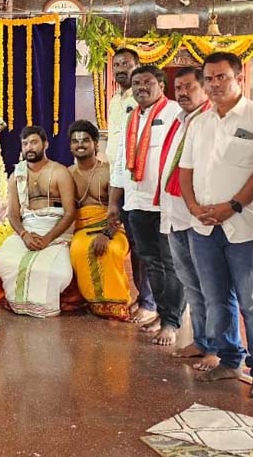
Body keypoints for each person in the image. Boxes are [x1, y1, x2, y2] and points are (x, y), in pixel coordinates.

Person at [179, 51, 253, 399]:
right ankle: (230, 359)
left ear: (240, 77)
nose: (215, 84)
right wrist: (193, 207)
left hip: (244, 224)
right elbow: (185, 171)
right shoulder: (200, 122)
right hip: (203, 227)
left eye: (222, 77)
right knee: (216, 299)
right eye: (209, 78)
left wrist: (232, 206)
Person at [156, 67, 230, 370]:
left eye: (189, 86)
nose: (183, 93)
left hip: (199, 216)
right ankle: (201, 340)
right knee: (191, 284)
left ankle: (218, 348)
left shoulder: (211, 120)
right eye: (178, 88)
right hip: (175, 213)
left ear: (204, 88)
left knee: (212, 287)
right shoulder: (180, 119)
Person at [110, 65, 185, 346]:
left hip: (167, 203)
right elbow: (120, 162)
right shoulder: (131, 117)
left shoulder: (175, 113)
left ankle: (172, 321)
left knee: (170, 263)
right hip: (136, 202)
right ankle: (160, 313)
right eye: (137, 83)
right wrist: (114, 202)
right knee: (151, 262)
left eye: (147, 82)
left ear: (161, 86)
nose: (141, 87)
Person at [0, 126, 76, 318]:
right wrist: (24, 235)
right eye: (25, 143)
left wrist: (47, 239)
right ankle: (19, 303)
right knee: (2, 259)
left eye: (34, 142)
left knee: (58, 272)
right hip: (28, 229)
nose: (29, 147)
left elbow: (70, 213)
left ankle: (42, 307)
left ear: (45, 144)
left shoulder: (59, 172)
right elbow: (13, 214)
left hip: (55, 230)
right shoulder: (17, 176)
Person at [105, 48, 155, 324]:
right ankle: (143, 296)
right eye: (116, 65)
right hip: (119, 182)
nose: (120, 69)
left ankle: (151, 301)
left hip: (140, 184)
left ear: (137, 66)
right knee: (136, 244)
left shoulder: (142, 102)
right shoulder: (115, 100)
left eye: (126, 64)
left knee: (147, 246)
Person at [65, 120, 131, 320]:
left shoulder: (108, 171)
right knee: (78, 248)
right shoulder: (67, 174)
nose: (80, 145)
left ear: (95, 143)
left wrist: (107, 233)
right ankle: (94, 303)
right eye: (75, 141)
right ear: (70, 146)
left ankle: (116, 304)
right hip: (82, 229)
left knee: (111, 249)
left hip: (111, 227)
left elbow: (118, 208)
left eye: (85, 140)